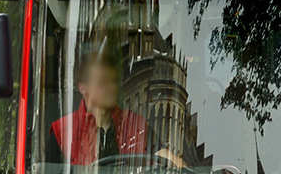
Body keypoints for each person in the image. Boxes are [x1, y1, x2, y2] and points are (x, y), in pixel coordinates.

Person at [47, 47, 181, 167]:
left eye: (114, 81)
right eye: (103, 81)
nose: (111, 87)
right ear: (83, 87)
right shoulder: (62, 132)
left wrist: (181, 168)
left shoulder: (135, 125)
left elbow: (168, 158)